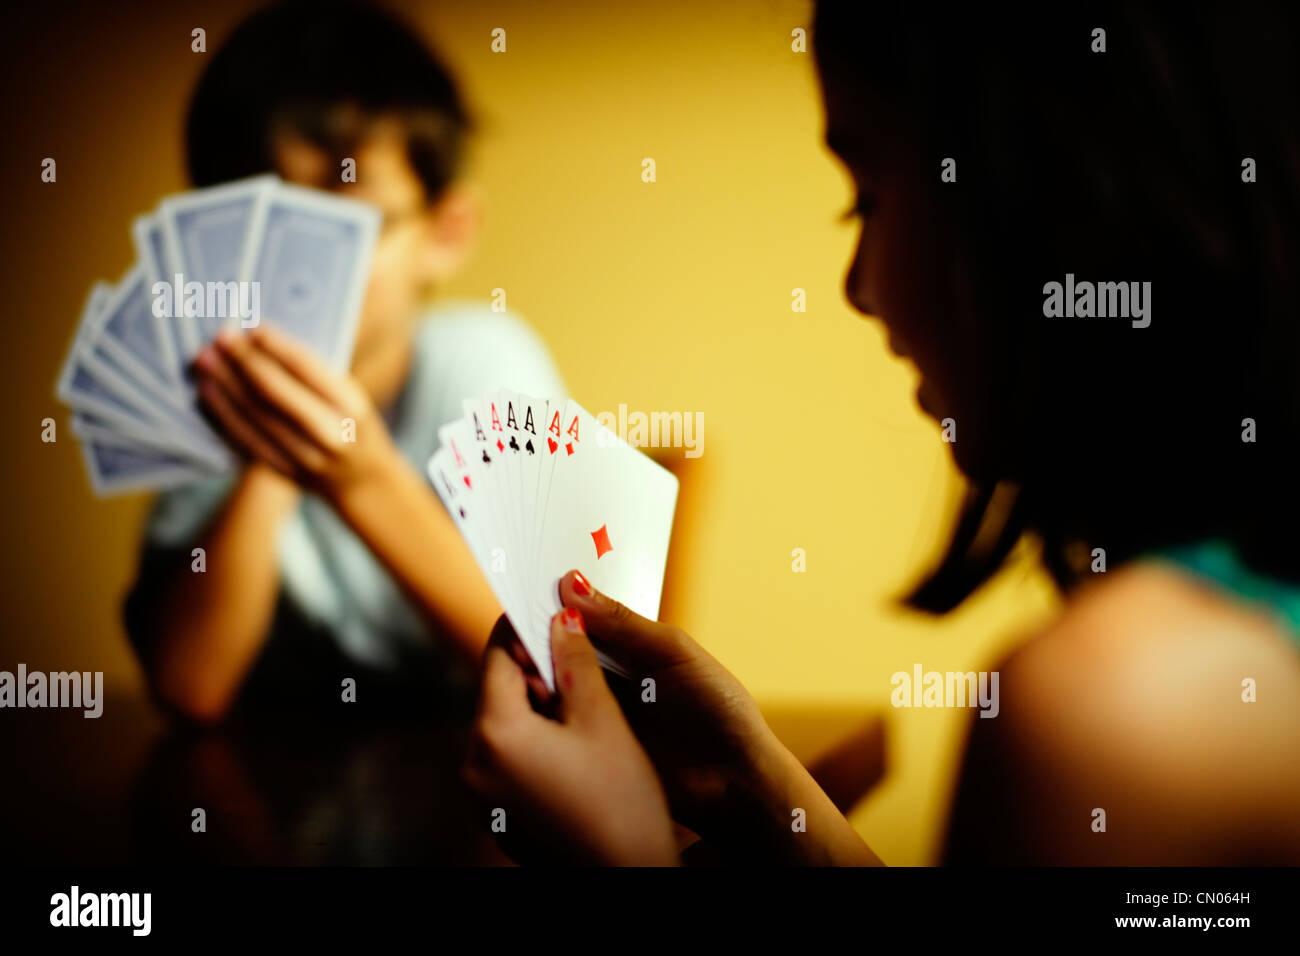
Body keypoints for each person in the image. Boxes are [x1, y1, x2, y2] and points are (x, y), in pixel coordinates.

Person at [461, 2, 1300, 865]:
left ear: (1033, 197)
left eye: (865, 195)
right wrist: (765, 787)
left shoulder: (1124, 712)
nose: (858, 288)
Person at [124, 0, 565, 723]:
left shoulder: (485, 361)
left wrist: (358, 477)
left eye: (344, 224)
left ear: (446, 232)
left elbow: (551, 669)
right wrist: (275, 455)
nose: (292, 267)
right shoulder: (215, 396)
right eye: (256, 222)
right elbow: (191, 686)